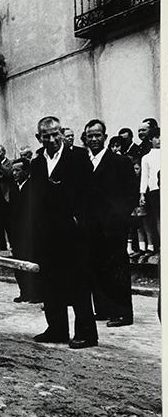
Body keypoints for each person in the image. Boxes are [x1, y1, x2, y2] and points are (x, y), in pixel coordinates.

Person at [30, 116, 97, 349]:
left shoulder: (78, 157)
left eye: (56, 134)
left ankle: (86, 333)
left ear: (62, 133)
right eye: (46, 136)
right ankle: (57, 329)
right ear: (39, 138)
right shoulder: (37, 163)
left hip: (73, 232)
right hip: (47, 234)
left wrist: (81, 222)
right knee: (50, 282)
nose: (52, 139)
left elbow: (90, 194)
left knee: (78, 282)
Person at [84, 119, 137, 327]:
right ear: (86, 138)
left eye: (98, 135)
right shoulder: (83, 163)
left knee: (117, 268)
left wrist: (119, 217)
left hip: (114, 227)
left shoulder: (120, 162)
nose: (94, 139)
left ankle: (123, 313)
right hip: (91, 226)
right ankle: (103, 309)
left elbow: (131, 194)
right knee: (96, 266)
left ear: (105, 137)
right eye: (90, 136)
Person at [9, 158, 41, 303]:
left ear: (26, 172)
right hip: (17, 234)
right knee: (19, 263)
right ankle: (24, 292)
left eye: (18, 170)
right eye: (13, 170)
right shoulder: (14, 188)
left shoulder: (33, 187)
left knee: (33, 262)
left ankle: (36, 293)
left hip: (32, 233)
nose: (14, 173)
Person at [139, 124, 160, 255]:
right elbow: (144, 177)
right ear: (151, 139)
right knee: (159, 218)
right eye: (156, 137)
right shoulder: (146, 157)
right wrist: (142, 194)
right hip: (155, 190)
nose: (159, 140)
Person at [129, 160, 149, 259]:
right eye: (133, 169)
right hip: (133, 206)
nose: (135, 171)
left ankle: (149, 247)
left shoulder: (142, 181)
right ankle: (141, 248)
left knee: (145, 225)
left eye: (137, 169)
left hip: (141, 205)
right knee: (137, 227)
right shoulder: (131, 180)